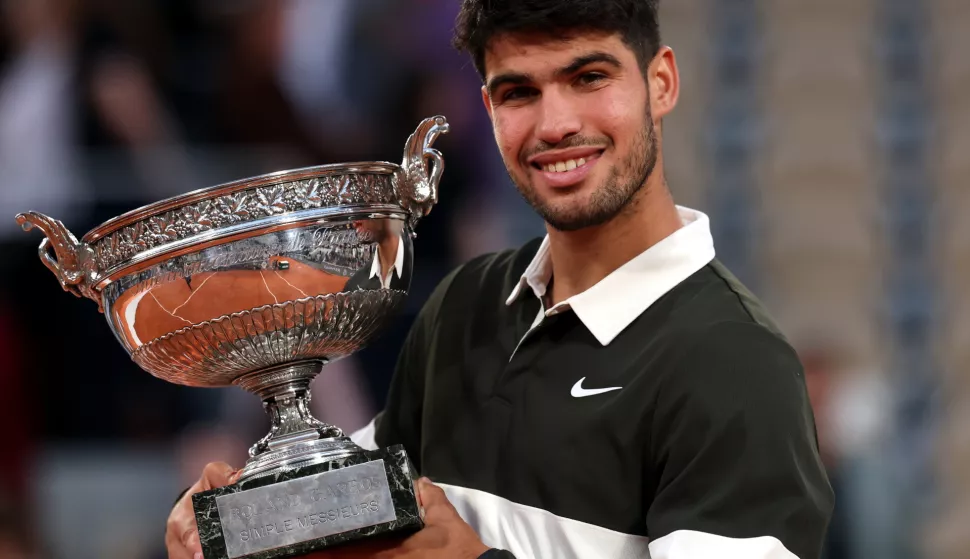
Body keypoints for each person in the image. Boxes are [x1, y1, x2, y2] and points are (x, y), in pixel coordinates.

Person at [166, 0, 834, 557]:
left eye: (589, 77)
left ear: (661, 83)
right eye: (520, 92)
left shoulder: (738, 365)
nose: (556, 123)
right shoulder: (465, 303)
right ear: (488, 108)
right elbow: (368, 511)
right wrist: (242, 518)